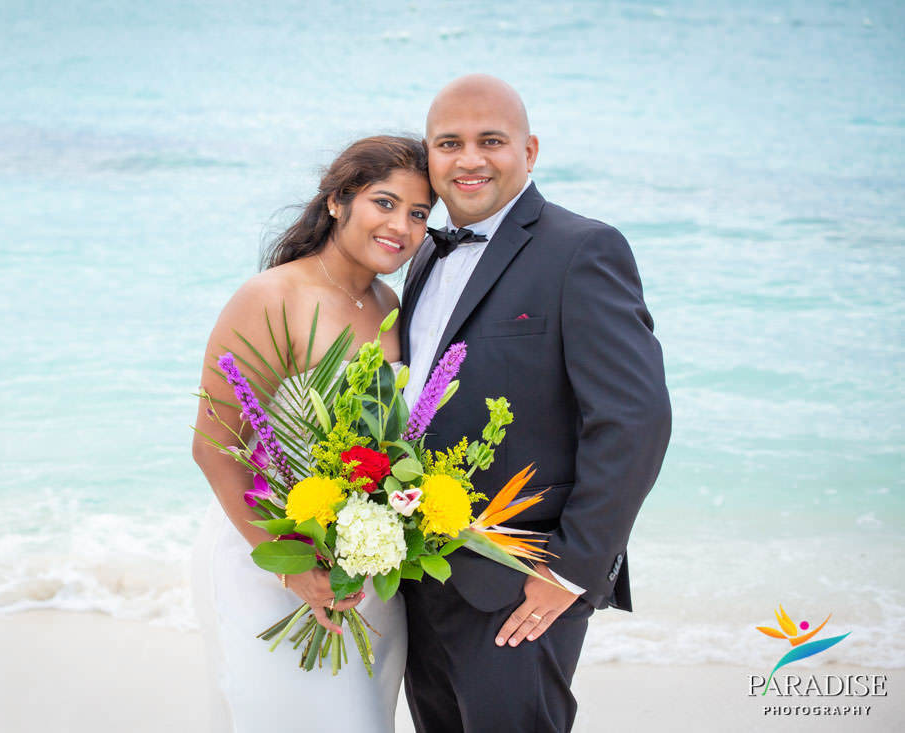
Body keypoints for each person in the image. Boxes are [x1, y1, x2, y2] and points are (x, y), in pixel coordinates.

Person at [399, 75, 672, 732]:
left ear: (530, 150)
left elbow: (634, 419)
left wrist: (571, 570)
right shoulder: (422, 254)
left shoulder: (581, 249)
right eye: (449, 143)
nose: (469, 159)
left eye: (491, 141)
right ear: (429, 156)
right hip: (417, 573)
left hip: (520, 585)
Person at [190, 135, 433, 732]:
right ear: (336, 201)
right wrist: (292, 568)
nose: (401, 226)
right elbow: (215, 447)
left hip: (362, 571)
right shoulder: (273, 296)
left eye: (419, 213)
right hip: (267, 558)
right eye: (384, 202)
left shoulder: (389, 303)